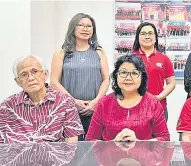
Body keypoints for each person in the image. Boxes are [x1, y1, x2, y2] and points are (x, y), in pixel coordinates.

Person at [50, 13, 110, 141]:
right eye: (81, 25)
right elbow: (54, 82)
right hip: (68, 110)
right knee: (72, 152)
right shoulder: (61, 53)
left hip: (95, 109)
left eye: (89, 26)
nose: (85, 29)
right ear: (73, 27)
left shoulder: (99, 52)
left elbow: (106, 79)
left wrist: (96, 101)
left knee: (94, 150)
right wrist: (73, 101)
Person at [0, 56, 84, 144]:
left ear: (45, 74)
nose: (30, 78)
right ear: (18, 81)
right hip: (18, 157)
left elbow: (72, 142)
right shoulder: (6, 107)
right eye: (24, 75)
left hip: (53, 157)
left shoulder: (65, 102)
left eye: (35, 72)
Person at [85, 54, 170, 142]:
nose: (128, 78)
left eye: (134, 73)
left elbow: (164, 138)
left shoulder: (153, 103)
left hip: (143, 155)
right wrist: (113, 143)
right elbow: (91, 140)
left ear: (142, 77)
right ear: (116, 76)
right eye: (123, 72)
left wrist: (139, 143)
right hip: (111, 155)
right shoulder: (104, 103)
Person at [132, 22, 175, 122]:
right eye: (143, 34)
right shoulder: (130, 58)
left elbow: (171, 83)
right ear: (138, 37)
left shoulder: (164, 58)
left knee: (159, 137)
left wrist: (158, 97)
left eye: (150, 33)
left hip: (159, 107)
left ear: (155, 37)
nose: (147, 36)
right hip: (135, 107)